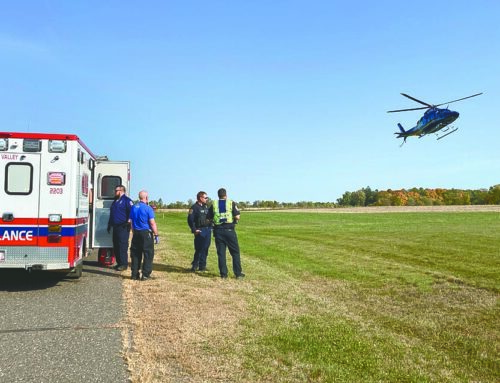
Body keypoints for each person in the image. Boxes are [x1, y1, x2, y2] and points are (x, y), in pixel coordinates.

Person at [207, 188, 245, 279]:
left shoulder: (214, 204)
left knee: (221, 254)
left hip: (218, 231)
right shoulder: (230, 203)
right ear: (226, 195)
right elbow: (237, 216)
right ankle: (238, 273)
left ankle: (223, 274)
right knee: (235, 252)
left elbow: (208, 218)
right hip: (229, 231)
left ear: (218, 195)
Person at [129, 190, 159, 281]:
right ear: (146, 198)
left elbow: (131, 221)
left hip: (136, 233)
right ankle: (145, 274)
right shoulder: (148, 208)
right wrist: (156, 234)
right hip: (145, 233)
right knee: (148, 254)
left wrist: (133, 231)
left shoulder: (134, 207)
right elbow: (152, 223)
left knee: (135, 254)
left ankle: (134, 274)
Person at [107, 184, 134, 271]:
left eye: (116, 191)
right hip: (115, 226)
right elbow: (112, 214)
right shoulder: (115, 201)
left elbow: (132, 212)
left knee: (122, 245)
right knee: (116, 245)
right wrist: (109, 225)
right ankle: (119, 263)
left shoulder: (127, 201)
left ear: (121, 191)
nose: (115, 192)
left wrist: (129, 220)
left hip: (123, 226)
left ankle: (124, 264)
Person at [187, 191, 212, 272]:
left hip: (207, 230)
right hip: (200, 230)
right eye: (205, 198)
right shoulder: (194, 208)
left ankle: (202, 266)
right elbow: (190, 220)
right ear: (200, 198)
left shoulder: (206, 207)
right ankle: (195, 265)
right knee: (199, 248)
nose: (206, 199)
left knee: (206, 248)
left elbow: (209, 217)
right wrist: (194, 230)